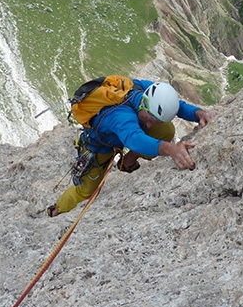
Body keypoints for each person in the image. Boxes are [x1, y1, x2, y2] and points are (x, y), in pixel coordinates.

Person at [47, 79, 218, 217]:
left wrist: (199, 114)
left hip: (122, 133)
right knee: (86, 192)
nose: (150, 126)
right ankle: (58, 209)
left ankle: (127, 161)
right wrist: (172, 149)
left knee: (166, 130)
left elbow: (176, 106)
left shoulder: (145, 91)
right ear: (143, 105)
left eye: (154, 121)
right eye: (149, 120)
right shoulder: (120, 115)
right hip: (100, 148)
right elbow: (134, 139)